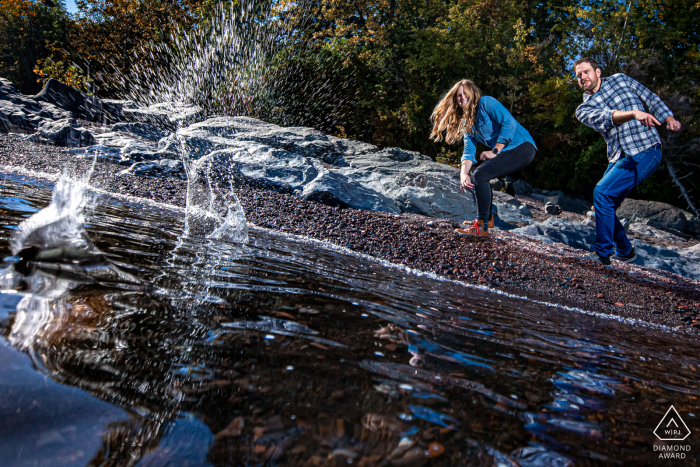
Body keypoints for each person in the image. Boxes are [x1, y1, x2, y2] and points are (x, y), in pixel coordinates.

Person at [574, 58, 681, 265]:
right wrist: (633, 113)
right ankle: (625, 251)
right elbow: (607, 117)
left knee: (602, 193)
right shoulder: (584, 109)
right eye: (578, 75)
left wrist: (669, 119)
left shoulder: (621, 80)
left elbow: (651, 98)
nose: (582, 78)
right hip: (619, 157)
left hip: (646, 150)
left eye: (586, 72)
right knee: (603, 204)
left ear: (597, 72)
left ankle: (602, 255)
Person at [430, 80, 537, 237]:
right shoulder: (467, 123)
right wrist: (463, 174)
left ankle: (481, 227)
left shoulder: (486, 103)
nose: (462, 97)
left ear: (472, 93)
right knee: (480, 175)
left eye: (465, 93)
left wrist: (495, 150)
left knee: (481, 174)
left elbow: (509, 122)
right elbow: (468, 151)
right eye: (458, 95)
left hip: (523, 147)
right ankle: (487, 219)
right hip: (508, 150)